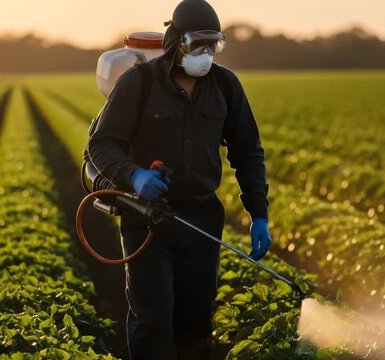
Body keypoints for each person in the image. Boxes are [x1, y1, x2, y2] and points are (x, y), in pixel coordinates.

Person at [87, 0, 271, 358]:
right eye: (197, 43)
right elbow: (102, 143)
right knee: (152, 321)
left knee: (195, 322)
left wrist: (259, 214)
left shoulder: (225, 86)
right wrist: (135, 175)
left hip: (201, 217)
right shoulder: (138, 83)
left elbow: (248, 151)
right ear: (175, 42)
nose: (205, 54)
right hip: (147, 216)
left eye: (213, 45)